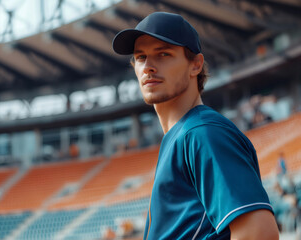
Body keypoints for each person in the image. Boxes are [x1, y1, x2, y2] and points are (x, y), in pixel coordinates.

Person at [112, 12, 279, 239]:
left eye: (163, 54)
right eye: (141, 57)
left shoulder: (203, 133)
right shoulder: (182, 136)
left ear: (196, 65)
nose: (148, 66)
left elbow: (258, 233)